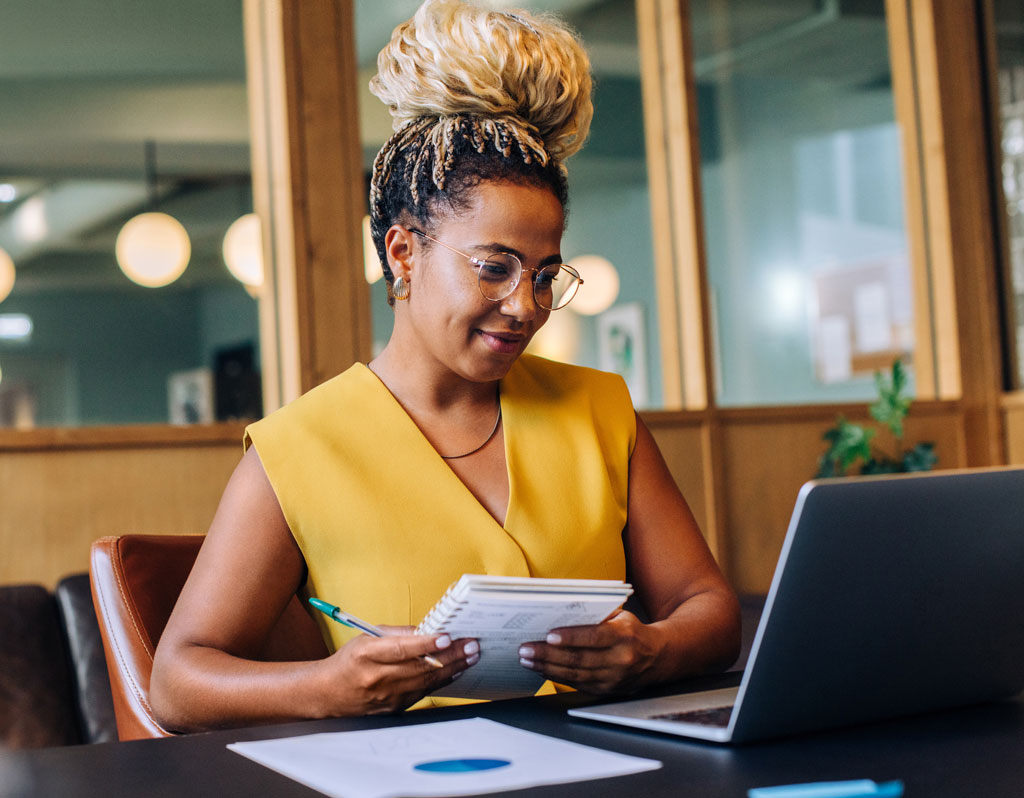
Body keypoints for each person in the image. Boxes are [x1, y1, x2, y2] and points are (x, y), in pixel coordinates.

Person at [150, 0, 739, 732]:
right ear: (404, 253)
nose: (525, 305)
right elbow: (178, 683)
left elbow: (712, 611)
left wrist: (651, 649)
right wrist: (327, 686)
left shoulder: (600, 408)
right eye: (494, 267)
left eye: (546, 274)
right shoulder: (299, 449)